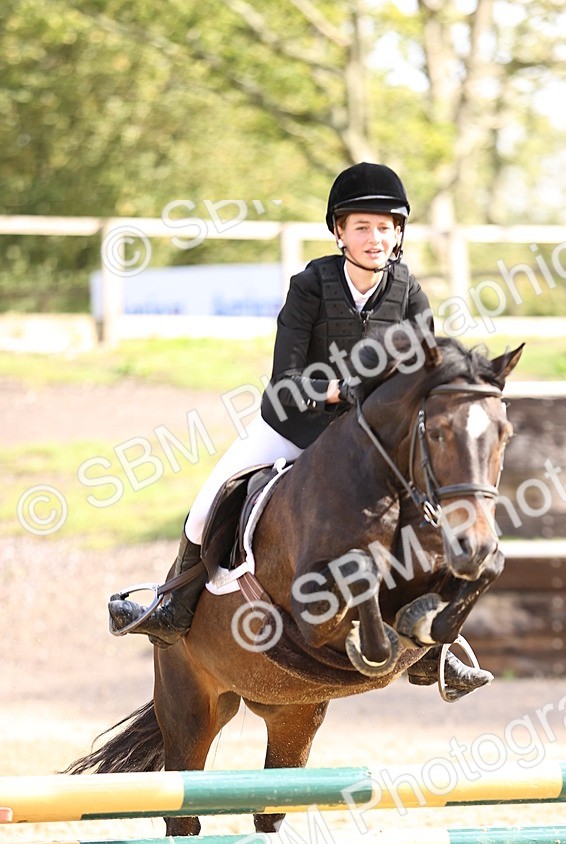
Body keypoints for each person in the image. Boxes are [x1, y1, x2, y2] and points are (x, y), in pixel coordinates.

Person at [109, 162, 492, 699]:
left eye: (385, 227)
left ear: (399, 233)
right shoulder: (310, 285)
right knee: (213, 492)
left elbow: (421, 376)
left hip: (372, 445)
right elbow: (285, 377)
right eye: (362, 227)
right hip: (296, 425)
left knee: (431, 509)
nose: (374, 238)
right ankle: (176, 597)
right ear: (340, 231)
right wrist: (339, 388)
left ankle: (440, 649)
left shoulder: (409, 293)